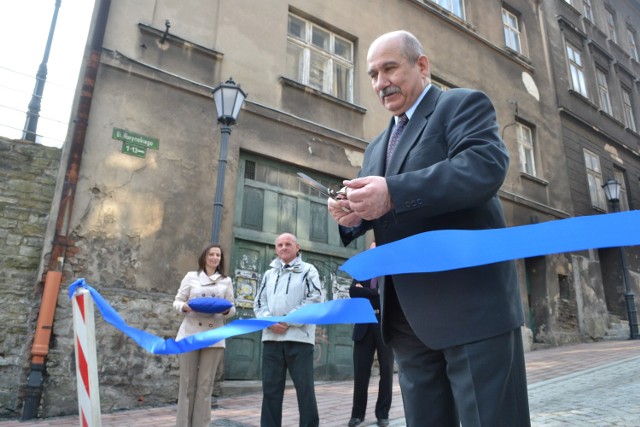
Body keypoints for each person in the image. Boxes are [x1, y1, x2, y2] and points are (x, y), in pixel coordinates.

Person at [328, 30, 531, 426]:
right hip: (405, 319)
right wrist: (352, 213)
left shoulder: (460, 105)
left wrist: (393, 193)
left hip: (469, 306)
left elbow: (484, 168)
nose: (380, 83)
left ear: (421, 65)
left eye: (390, 68)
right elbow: (379, 204)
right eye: (372, 74)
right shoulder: (376, 146)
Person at [254, 233, 323, 427]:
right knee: (270, 391)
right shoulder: (269, 274)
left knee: (305, 390)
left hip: (299, 339)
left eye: (288, 244)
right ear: (276, 249)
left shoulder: (309, 271)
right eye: (280, 245)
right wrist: (269, 321)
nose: (283, 247)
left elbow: (314, 299)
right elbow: (259, 302)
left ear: (297, 247)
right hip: (271, 339)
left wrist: (287, 321)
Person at [173, 243, 236, 427]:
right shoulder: (191, 277)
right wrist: (185, 306)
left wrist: (225, 312)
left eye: (218, 255)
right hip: (190, 334)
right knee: (187, 383)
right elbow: (177, 302)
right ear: (204, 257)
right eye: (211, 254)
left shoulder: (226, 281)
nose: (215, 258)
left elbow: (232, 308)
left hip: (214, 335)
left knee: (205, 385)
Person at [348, 244, 394, 427]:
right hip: (364, 326)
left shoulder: (390, 272)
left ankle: (383, 414)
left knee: (387, 372)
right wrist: (376, 293)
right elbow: (353, 292)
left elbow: (391, 295)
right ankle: (357, 415)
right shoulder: (361, 271)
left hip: (385, 325)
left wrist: (365, 292)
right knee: (361, 373)